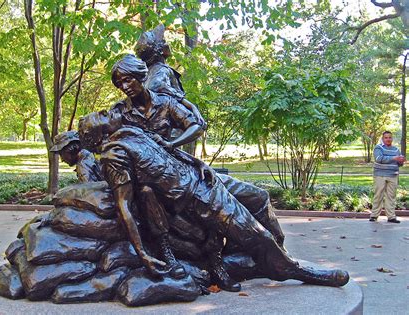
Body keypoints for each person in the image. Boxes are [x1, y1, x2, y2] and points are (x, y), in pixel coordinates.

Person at [78, 110, 350, 291]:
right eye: (101, 115)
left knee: (259, 198)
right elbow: (124, 206)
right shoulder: (113, 156)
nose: (109, 111)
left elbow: (171, 151)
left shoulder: (131, 132)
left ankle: (272, 257)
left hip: (204, 177)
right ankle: (296, 271)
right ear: (98, 135)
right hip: (196, 197)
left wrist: (200, 163)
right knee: (259, 236)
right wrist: (143, 254)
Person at [110, 54, 285, 247]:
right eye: (119, 84)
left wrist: (172, 144)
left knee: (258, 196)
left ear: (141, 76)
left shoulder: (165, 103)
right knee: (223, 211)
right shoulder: (119, 113)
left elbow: (196, 126)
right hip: (160, 181)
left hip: (184, 168)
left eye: (128, 80)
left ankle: (277, 248)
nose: (124, 87)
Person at [371, 131, 405, 223]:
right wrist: (394, 158)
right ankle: (374, 215)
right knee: (378, 195)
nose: (388, 139)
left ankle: (391, 217)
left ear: (392, 138)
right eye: (386, 137)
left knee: (391, 196)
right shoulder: (378, 148)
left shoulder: (396, 150)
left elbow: (399, 164)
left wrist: (401, 161)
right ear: (383, 139)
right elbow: (379, 159)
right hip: (380, 175)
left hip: (393, 175)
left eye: (390, 137)